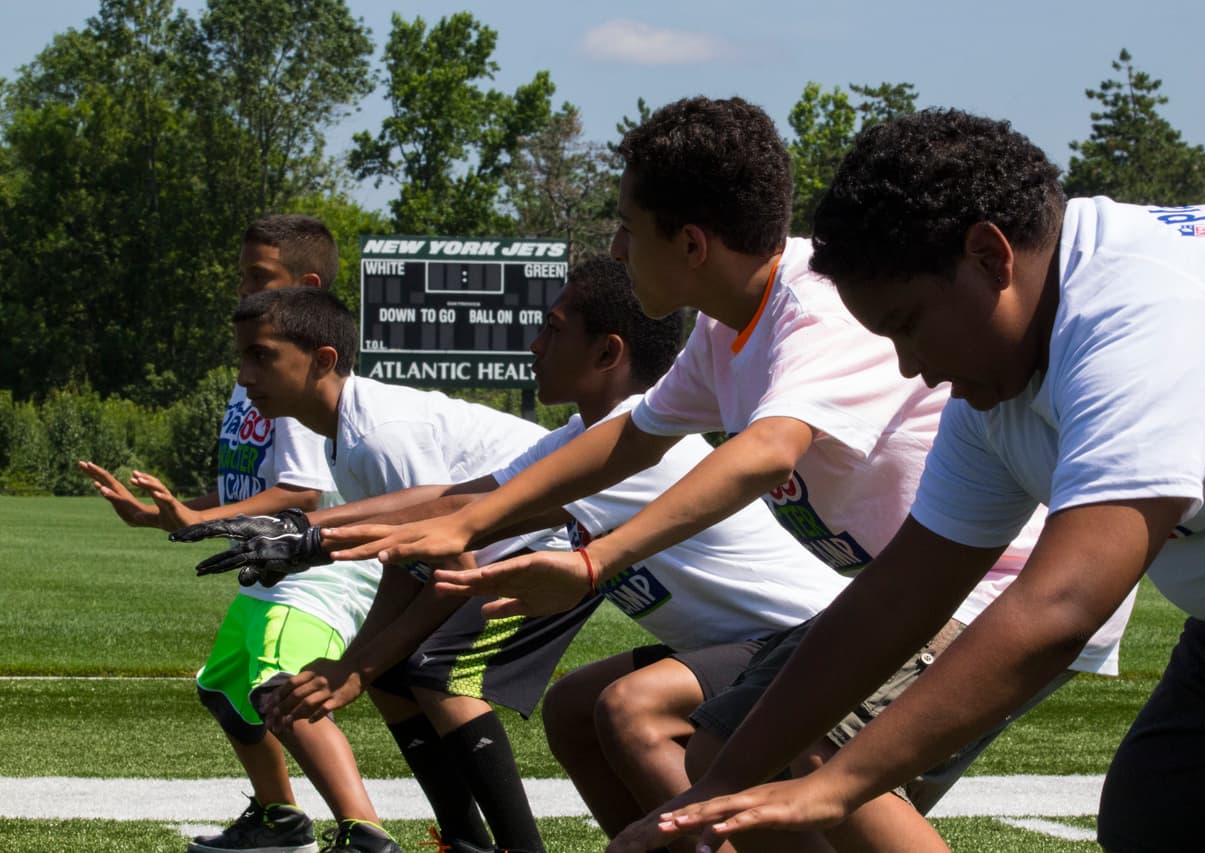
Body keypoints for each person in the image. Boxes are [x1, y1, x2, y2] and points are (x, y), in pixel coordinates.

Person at [320, 98, 1133, 852]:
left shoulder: (815, 303)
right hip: (906, 591)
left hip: (985, 588)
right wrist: (470, 521)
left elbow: (769, 450)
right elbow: (629, 437)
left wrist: (598, 561)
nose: (614, 248)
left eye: (627, 228)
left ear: (692, 243)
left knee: (795, 757)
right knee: (683, 738)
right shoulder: (725, 328)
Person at [609, 108, 1205, 853]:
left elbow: (1062, 607)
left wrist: (833, 785)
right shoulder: (997, 377)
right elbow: (900, 595)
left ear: (989, 256)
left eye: (908, 323)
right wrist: (721, 782)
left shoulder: (1140, 315)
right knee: (1157, 822)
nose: (908, 367)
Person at [179, 284, 600, 853]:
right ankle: (465, 841)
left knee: (435, 670)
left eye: (261, 356)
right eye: (242, 358)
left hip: (565, 539)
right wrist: (360, 665)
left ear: (322, 360)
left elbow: (452, 564)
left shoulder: (377, 435)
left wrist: (353, 670)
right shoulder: (347, 434)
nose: (245, 376)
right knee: (398, 672)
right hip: (504, 547)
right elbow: (409, 563)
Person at [80, 215, 400, 853]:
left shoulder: (295, 377)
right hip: (277, 566)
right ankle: (280, 819)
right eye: (242, 275)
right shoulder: (255, 375)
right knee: (224, 686)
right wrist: (173, 514)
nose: (242, 289)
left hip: (319, 570)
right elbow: (248, 488)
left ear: (305, 286)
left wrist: (199, 521)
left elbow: (302, 490)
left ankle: (365, 834)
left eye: (260, 276)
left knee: (278, 686)